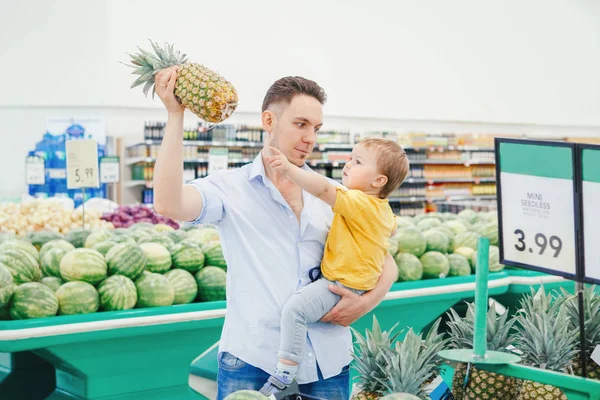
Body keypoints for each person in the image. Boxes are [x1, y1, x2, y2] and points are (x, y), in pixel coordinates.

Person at [152, 68, 399, 400]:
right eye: (300, 124)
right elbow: (169, 204)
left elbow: (386, 262)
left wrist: (366, 302)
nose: (310, 137)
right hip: (253, 360)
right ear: (269, 121)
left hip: (327, 361)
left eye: (316, 128)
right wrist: (174, 115)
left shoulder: (336, 195)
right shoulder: (230, 188)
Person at [259, 137, 408, 397]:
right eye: (350, 157)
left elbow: (323, 190)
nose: (348, 164)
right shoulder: (382, 210)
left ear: (378, 181)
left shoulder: (360, 203)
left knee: (294, 311)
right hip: (356, 284)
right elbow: (392, 231)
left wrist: (288, 169)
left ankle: (284, 373)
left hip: (341, 284)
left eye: (358, 161)